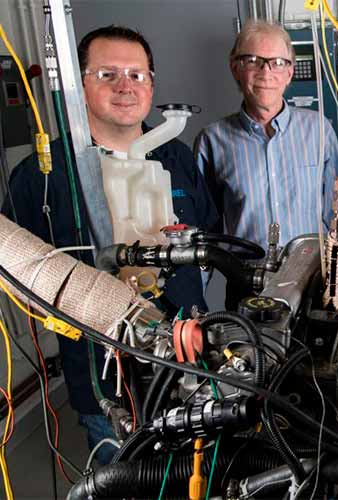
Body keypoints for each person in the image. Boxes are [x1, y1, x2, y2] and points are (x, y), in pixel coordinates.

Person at [2, 25, 218, 464]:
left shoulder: (176, 157)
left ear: (153, 84)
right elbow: (19, 275)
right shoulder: (42, 176)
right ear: (81, 85)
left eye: (137, 75)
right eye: (107, 74)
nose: (125, 86)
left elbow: (208, 239)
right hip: (104, 385)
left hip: (188, 368)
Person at [194, 21, 338, 309]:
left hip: (314, 285)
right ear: (235, 68)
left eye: (277, 63)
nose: (266, 73)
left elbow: (337, 216)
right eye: (253, 61)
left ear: (289, 72)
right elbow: (205, 233)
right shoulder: (213, 140)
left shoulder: (320, 130)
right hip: (246, 288)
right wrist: (194, 300)